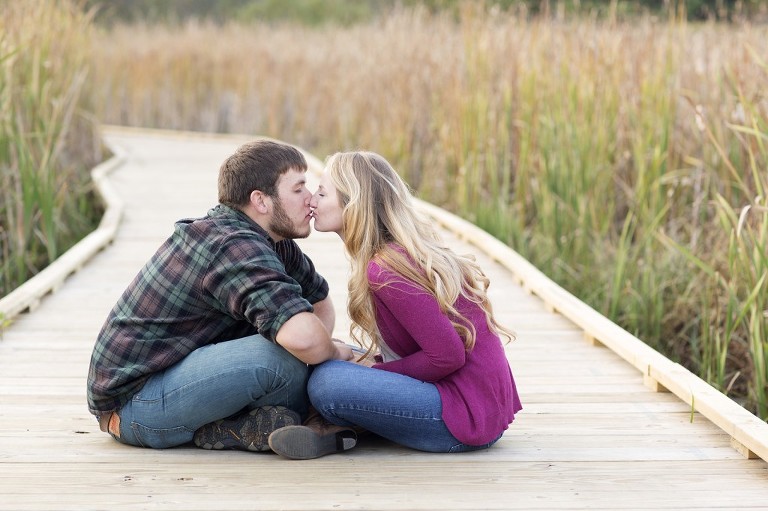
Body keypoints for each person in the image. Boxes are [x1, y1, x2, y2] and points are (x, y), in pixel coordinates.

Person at [87, 139, 357, 454]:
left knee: (315, 353)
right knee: (282, 358)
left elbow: (319, 300)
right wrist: (331, 354)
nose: (310, 199)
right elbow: (304, 339)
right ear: (261, 201)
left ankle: (241, 427)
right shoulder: (232, 245)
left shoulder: (272, 240)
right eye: (299, 189)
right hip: (134, 404)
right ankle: (313, 421)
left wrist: (323, 352)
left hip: (179, 376)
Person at [267, 151, 522, 460]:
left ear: (353, 203)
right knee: (337, 351)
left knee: (327, 381)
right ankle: (332, 430)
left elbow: (447, 356)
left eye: (322, 193)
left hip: (462, 416)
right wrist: (369, 363)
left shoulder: (386, 268)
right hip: (468, 403)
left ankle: (328, 422)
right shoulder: (390, 256)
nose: (312, 201)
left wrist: (379, 368)